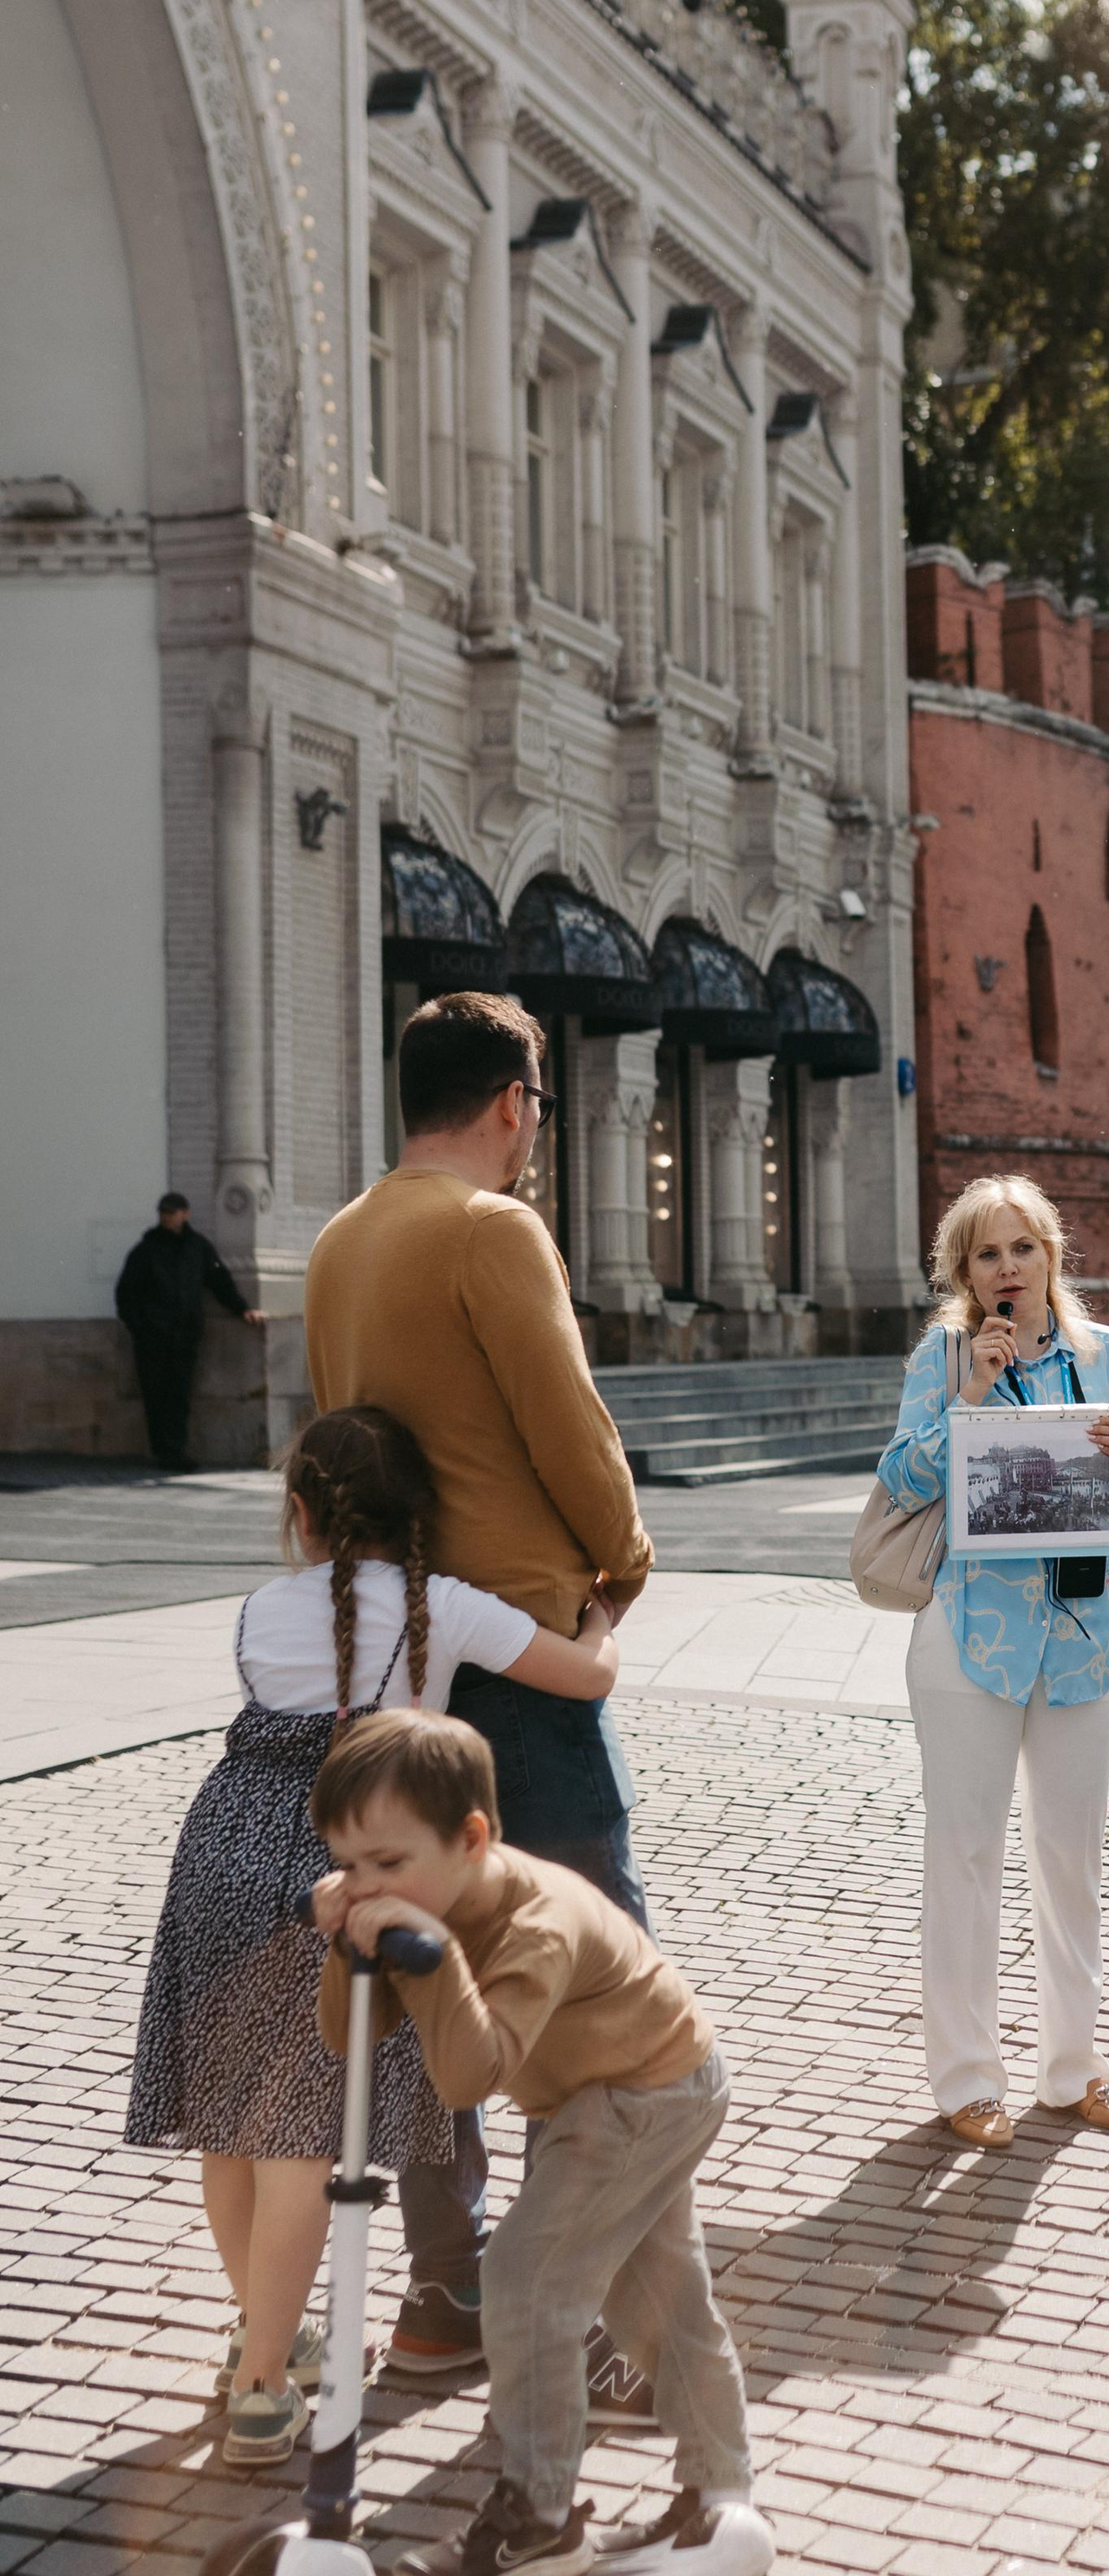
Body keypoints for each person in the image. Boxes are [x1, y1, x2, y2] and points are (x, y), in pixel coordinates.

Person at [123, 1407, 618, 2469]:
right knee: (303, 2137)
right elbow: (590, 1677)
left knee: (229, 2125)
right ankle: (260, 2387)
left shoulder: (260, 1608)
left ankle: (269, 2341)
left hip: (219, 1851)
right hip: (344, 1869)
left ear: (299, 1515)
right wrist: (600, 1616)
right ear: (423, 1515)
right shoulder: (447, 1608)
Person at [304, 989, 655, 2384]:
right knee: (590, 1991)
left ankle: (445, 2295)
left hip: (397, 1663)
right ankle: (601, 2318)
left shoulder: (340, 1240)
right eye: (539, 1111)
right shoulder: (492, 1230)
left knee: (423, 1982)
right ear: (513, 1103)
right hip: (519, 1654)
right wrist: (626, 1554)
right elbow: (568, 1424)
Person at [310, 1708, 763, 2576]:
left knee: (525, 2279)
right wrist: (347, 1941)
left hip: (650, 2090)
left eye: (389, 1864)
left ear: (472, 1837)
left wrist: (431, 1957)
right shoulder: (425, 1903)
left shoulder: (534, 1925)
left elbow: (467, 2079)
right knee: (660, 2297)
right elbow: (343, 2035)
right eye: (349, 1866)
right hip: (600, 2094)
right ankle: (722, 2491)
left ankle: (539, 2520)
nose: (366, 1886)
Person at [875, 1174, 1109, 2148]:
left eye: (1023, 1248)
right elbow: (901, 1478)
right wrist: (962, 1400)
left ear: (1052, 1255)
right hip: (970, 1639)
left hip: (1085, 1641)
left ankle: (1073, 2068)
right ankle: (966, 2078)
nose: (1008, 1269)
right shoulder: (947, 1353)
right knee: (963, 1858)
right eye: (986, 1255)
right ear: (964, 1273)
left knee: (1071, 1859)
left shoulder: (1106, 1355)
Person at [114, 1193, 266, 1473]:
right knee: (155, 1394)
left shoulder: (198, 1247)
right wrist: (141, 1328)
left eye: (172, 1212)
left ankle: (174, 1450)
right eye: (163, 1212)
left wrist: (242, 1309)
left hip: (184, 1336)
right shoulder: (146, 1250)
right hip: (153, 1338)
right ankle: (165, 1452)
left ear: (186, 1213)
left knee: (179, 1394)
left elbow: (220, 1281)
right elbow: (126, 1293)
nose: (166, 1216)